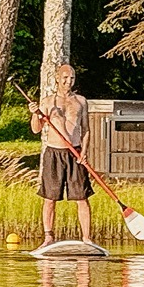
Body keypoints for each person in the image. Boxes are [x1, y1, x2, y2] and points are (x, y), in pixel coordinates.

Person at [27, 64, 94, 247]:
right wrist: (35, 114)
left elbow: (86, 130)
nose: (68, 81)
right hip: (53, 153)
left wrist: (84, 153)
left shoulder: (80, 101)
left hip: (75, 152)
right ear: (57, 78)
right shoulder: (48, 102)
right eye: (65, 77)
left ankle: (86, 238)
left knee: (82, 198)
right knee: (50, 198)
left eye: (71, 78)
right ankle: (48, 236)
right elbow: (35, 129)